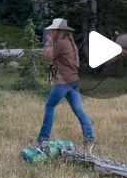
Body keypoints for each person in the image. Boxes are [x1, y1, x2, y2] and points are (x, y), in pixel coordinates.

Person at [36, 18, 95, 149]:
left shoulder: (61, 43)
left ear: (59, 31)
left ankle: (43, 138)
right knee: (78, 109)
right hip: (73, 81)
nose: (51, 32)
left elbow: (47, 56)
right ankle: (89, 137)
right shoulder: (70, 42)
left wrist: (48, 44)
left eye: (53, 30)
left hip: (63, 82)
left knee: (49, 107)